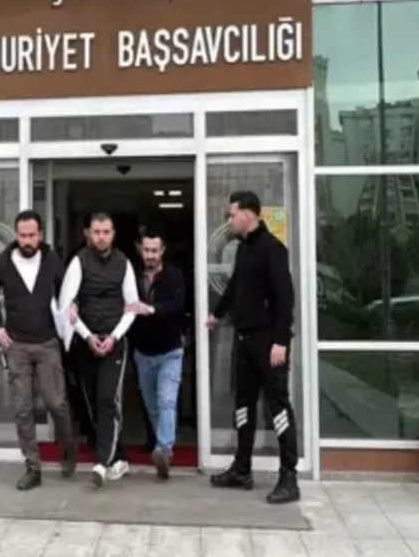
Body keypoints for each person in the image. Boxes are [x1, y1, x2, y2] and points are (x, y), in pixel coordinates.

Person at [206, 191, 300, 505]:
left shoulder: (273, 249)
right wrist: (216, 314)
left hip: (268, 343)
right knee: (243, 405)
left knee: (278, 408)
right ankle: (242, 469)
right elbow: (235, 287)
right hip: (245, 341)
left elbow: (285, 298)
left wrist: (281, 341)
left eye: (232, 214)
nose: (229, 219)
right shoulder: (244, 249)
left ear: (249, 214)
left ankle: (289, 478)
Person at [0, 210, 78, 490]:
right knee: (22, 408)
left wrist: (73, 307)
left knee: (56, 403)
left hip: (48, 342)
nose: (27, 241)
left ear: (40, 235)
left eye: (32, 235)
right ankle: (32, 467)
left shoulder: (52, 260)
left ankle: (68, 447)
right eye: (23, 235)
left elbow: (68, 291)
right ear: (17, 235)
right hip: (17, 346)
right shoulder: (3, 262)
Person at [60, 211, 142, 488]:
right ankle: (119, 457)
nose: (101, 237)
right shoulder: (78, 262)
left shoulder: (124, 263)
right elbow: (68, 305)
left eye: (106, 232)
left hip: (114, 344)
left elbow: (132, 306)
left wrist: (114, 337)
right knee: (92, 404)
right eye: (96, 232)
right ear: (88, 234)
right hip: (85, 344)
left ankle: (102, 463)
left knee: (108, 399)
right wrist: (87, 337)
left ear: (113, 234)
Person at [128, 227, 186, 479]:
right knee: (152, 406)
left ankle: (164, 450)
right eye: (146, 250)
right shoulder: (131, 275)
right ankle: (163, 446)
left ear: (162, 251)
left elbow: (177, 306)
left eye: (154, 250)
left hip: (170, 351)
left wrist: (150, 309)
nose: (150, 255)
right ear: (141, 250)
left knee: (166, 401)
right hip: (143, 353)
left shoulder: (174, 276)